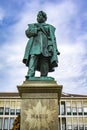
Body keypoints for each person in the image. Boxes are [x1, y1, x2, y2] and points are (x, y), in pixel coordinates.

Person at [23, 11, 60, 79]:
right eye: (37, 16)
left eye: (40, 16)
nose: (38, 17)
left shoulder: (49, 27)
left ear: (44, 18)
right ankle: (30, 74)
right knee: (33, 57)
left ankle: (44, 76)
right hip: (34, 45)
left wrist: (52, 46)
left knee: (44, 60)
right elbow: (28, 33)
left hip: (46, 46)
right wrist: (36, 29)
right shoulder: (33, 26)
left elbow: (53, 38)